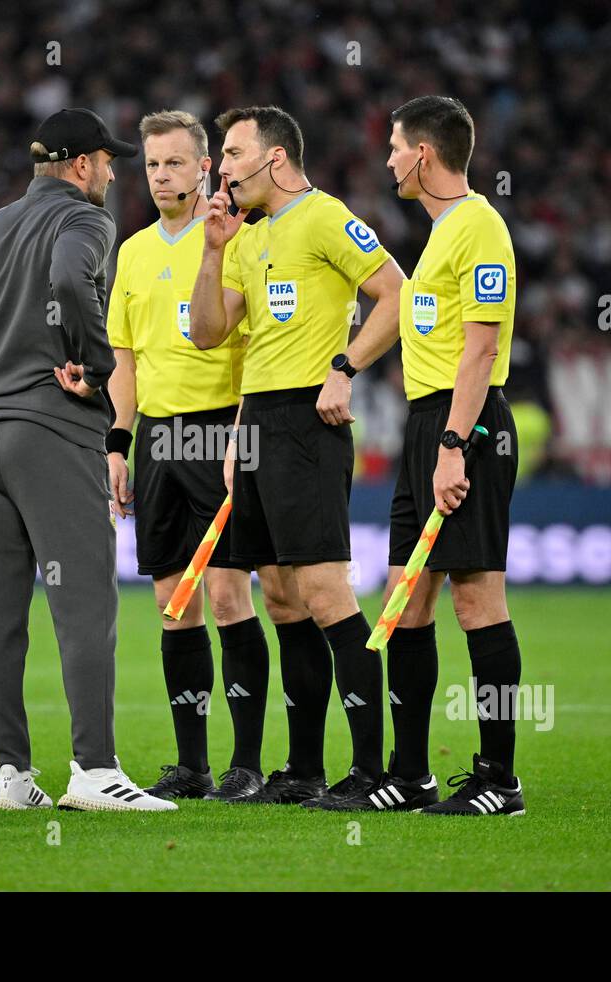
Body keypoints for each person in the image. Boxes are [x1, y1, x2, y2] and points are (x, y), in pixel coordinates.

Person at [0, 108, 174, 813]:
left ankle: (11, 776)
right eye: (108, 160)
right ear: (79, 165)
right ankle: (94, 771)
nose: (115, 173)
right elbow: (70, 280)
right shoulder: (87, 223)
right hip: (53, 436)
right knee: (85, 603)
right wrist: (93, 368)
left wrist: (3, 380)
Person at [190, 105, 405, 807]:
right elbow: (209, 334)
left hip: (309, 424)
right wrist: (214, 249)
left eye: (231, 153)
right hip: (256, 426)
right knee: (279, 597)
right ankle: (305, 769)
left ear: (273, 158)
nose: (221, 168)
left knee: (324, 593)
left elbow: (395, 294)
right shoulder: (247, 238)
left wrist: (345, 367)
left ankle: (375, 773)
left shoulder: (325, 217)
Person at [344, 94, 526, 816]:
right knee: (407, 598)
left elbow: (480, 348)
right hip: (430, 425)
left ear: (423, 153)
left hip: (467, 427)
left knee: (477, 598)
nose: (387, 158)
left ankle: (499, 779)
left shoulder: (481, 228)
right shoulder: (443, 233)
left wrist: (454, 444)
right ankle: (411, 773)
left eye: (394, 146)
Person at [105, 110, 270, 802]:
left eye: (175, 162)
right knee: (174, 603)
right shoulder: (135, 250)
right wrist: (117, 441)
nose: (161, 174)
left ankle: (248, 763)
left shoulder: (236, 238)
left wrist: (240, 428)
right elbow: (124, 358)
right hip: (159, 441)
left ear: (205, 167)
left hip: (220, 433)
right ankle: (192, 764)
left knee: (230, 592)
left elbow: (259, 346)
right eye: (151, 164)